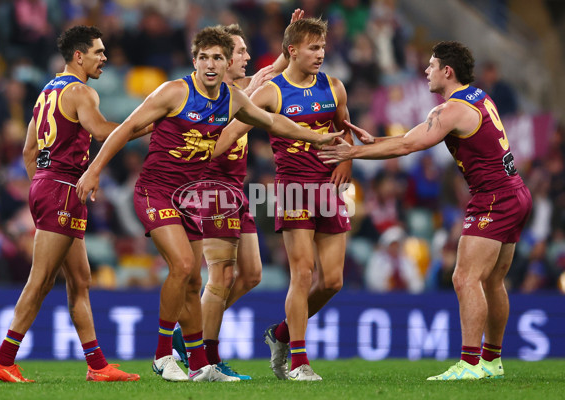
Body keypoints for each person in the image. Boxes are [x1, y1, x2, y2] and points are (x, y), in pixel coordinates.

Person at [75, 26, 341, 383]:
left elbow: (272, 120)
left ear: (225, 61)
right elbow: (125, 129)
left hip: (191, 197)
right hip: (156, 190)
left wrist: (316, 136)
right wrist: (93, 171)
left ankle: (200, 363)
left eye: (217, 57)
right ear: (195, 60)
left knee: (194, 278)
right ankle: (162, 355)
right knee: (186, 266)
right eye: (204, 57)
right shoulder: (174, 91)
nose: (211, 64)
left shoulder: (232, 98)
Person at [319, 41, 533, 380]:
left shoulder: (451, 110)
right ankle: (492, 361)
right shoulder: (477, 96)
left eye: (431, 66)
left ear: (447, 71)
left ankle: (470, 364)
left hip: (493, 198)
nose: (426, 71)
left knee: (465, 277)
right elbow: (409, 137)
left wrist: (351, 154)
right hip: (516, 192)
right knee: (492, 281)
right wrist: (370, 142)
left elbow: (407, 145)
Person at [0, 25, 147, 383]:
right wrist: (147, 124)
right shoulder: (81, 91)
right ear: (79, 55)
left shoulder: (47, 92)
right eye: (98, 52)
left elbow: (30, 151)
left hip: (54, 187)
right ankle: (4, 360)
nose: (104, 57)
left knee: (80, 279)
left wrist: (42, 185)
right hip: (61, 189)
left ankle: (97, 365)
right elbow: (103, 131)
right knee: (41, 280)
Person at [215, 17, 353, 381]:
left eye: (322, 47)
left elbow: (344, 131)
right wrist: (205, 155)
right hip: (293, 189)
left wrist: (348, 162)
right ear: (292, 51)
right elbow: (234, 126)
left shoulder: (335, 87)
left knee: (334, 281)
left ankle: (280, 335)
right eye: (313, 48)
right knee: (303, 273)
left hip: (329, 190)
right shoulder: (271, 92)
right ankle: (299, 360)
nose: (320, 54)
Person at [172, 10, 305, 381]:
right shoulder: (217, 95)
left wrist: (291, 35)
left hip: (235, 191)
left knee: (251, 274)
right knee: (222, 275)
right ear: (225, 58)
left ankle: (191, 334)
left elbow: (278, 66)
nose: (247, 57)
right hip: (212, 189)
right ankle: (207, 355)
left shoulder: (246, 86)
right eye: (241, 51)